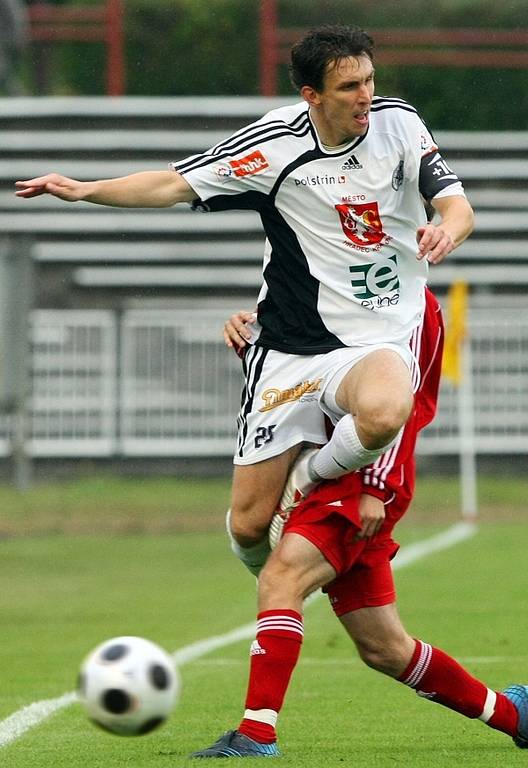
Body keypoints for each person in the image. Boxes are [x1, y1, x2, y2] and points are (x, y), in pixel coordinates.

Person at [15, 25, 474, 566]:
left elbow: (456, 205)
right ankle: (268, 589)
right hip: (288, 344)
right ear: (312, 95)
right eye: (350, 86)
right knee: (250, 527)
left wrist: (447, 228)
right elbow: (173, 185)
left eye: (370, 80)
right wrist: (87, 190)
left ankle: (311, 477)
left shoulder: (399, 123)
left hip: (380, 331)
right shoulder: (273, 145)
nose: (366, 97)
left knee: (386, 409)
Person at [191, 287, 528, 758]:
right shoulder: (330, 275)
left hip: (358, 481)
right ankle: (516, 716)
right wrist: (253, 338)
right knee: (385, 649)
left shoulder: (413, 305)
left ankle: (256, 735)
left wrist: (375, 485)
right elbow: (299, 368)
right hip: (328, 465)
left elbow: (402, 407)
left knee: (281, 577)